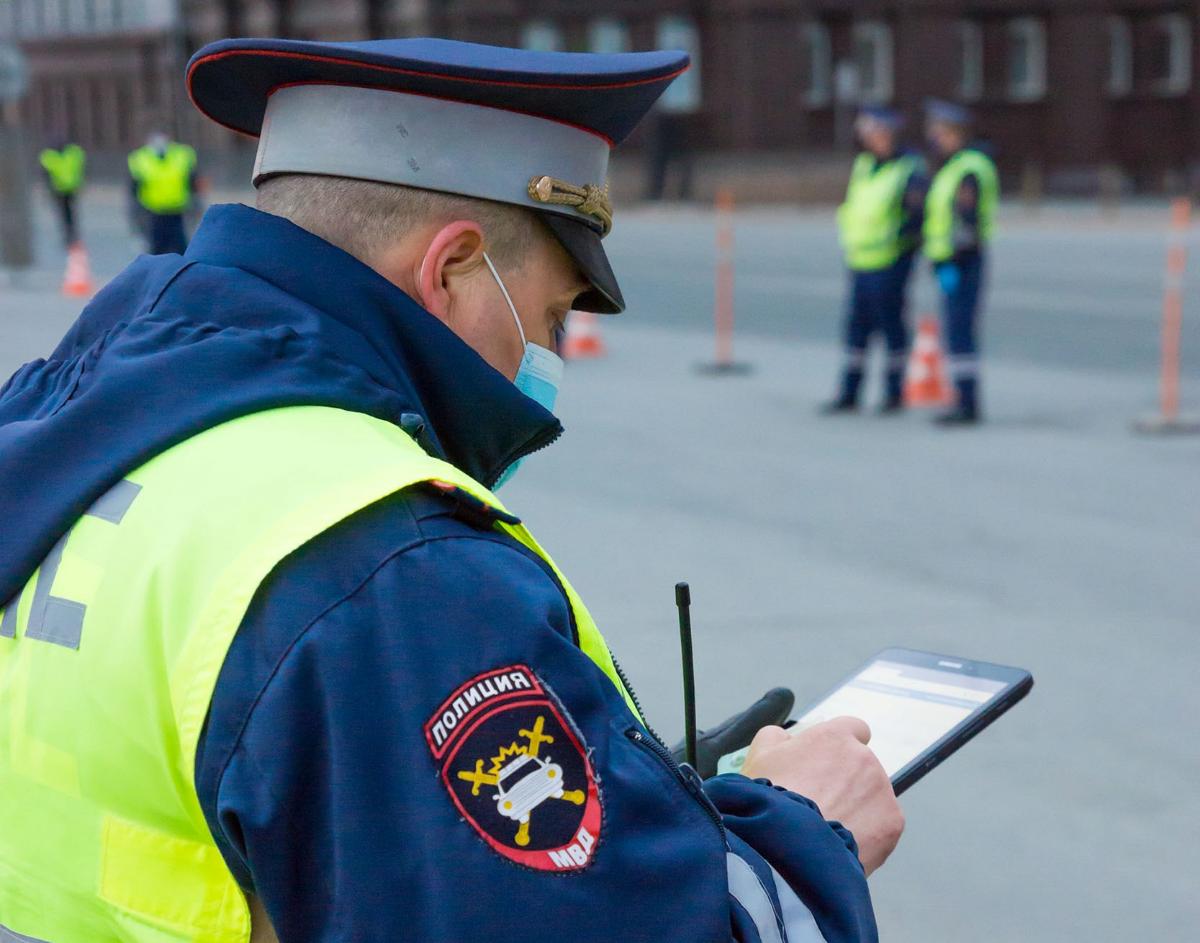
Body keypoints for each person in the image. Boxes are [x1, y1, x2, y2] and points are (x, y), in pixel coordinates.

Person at [0, 37, 903, 943]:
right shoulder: (389, 564)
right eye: (547, 317)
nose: (544, 362)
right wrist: (803, 830)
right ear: (451, 269)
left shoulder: (73, 422)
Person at [823, 107, 927, 414]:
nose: (872, 140)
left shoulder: (908, 169)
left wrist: (904, 245)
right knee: (856, 327)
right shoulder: (865, 165)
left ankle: (894, 392)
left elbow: (917, 215)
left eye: (876, 133)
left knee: (891, 325)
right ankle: (849, 392)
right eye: (867, 135)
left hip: (891, 260)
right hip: (860, 259)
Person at [922, 99, 999, 425]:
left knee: (961, 331)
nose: (935, 137)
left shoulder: (968, 169)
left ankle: (967, 403)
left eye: (940, 132)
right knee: (956, 330)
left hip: (962, 262)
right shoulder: (952, 167)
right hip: (951, 262)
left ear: (955, 134)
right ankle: (963, 398)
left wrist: (950, 260)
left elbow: (966, 224)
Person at [127, 129, 200, 255]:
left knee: (181, 249)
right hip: (153, 212)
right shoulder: (140, 158)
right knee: (157, 250)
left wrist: (195, 206)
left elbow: (193, 183)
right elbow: (134, 188)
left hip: (177, 210)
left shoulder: (183, 155)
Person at [38, 136, 86, 247]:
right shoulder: (72, 153)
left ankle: (70, 234)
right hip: (63, 189)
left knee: (67, 213)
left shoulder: (50, 156)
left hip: (65, 189)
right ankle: (70, 234)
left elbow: (46, 175)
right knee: (67, 213)